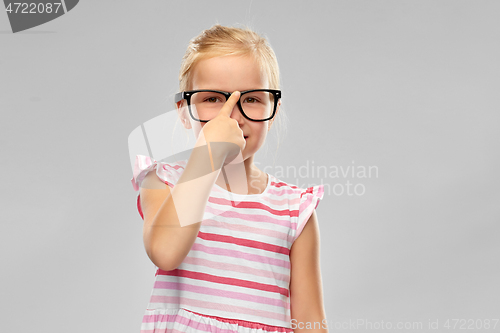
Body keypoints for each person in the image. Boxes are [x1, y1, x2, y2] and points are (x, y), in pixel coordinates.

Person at [131, 24, 327, 333]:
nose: (232, 116)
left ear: (272, 110)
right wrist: (207, 156)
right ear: (184, 113)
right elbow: (165, 253)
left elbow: (310, 321)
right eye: (212, 99)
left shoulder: (295, 210)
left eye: (251, 99)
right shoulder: (162, 183)